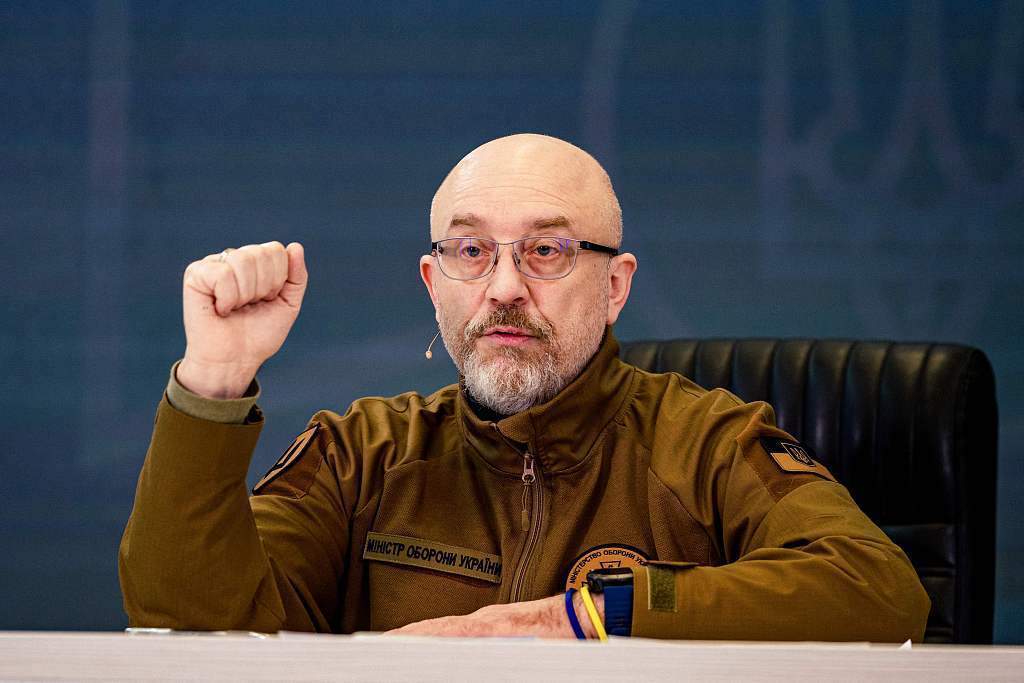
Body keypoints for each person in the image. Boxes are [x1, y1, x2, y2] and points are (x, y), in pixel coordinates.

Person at [119, 133, 930, 641]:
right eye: (472, 253)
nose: (504, 287)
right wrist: (215, 378)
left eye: (546, 251)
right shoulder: (359, 455)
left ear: (615, 286)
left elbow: (878, 590)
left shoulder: (706, 441)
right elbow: (189, 626)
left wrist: (582, 616)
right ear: (434, 282)